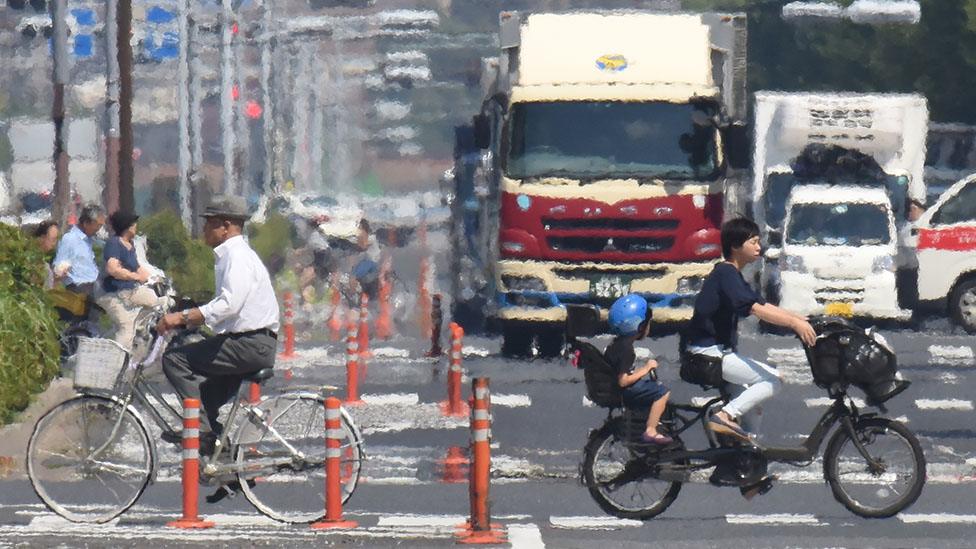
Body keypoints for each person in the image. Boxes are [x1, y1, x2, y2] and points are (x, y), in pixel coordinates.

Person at [156, 195, 279, 455]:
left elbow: (229, 304)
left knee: (175, 359)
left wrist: (183, 317)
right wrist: (191, 308)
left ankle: (198, 429)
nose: (204, 229)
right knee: (206, 397)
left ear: (225, 227)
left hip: (250, 344)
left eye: (209, 224)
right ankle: (224, 459)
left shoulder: (236, 256)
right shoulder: (231, 255)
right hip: (248, 342)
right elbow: (228, 305)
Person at [683, 218, 816, 442]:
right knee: (772, 381)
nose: (759, 247)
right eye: (753, 242)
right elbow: (754, 309)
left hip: (718, 353)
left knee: (753, 403)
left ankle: (746, 453)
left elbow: (761, 303)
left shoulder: (732, 274)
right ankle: (724, 415)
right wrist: (794, 325)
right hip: (707, 354)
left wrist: (800, 318)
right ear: (735, 247)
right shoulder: (726, 274)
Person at [605, 294, 672, 445]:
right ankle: (651, 430)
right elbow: (623, 381)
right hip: (625, 391)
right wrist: (646, 368)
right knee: (662, 392)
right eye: (647, 324)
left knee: (650, 387)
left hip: (616, 389)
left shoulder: (614, 345)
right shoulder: (627, 350)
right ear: (639, 326)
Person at [96, 211, 164, 350]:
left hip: (129, 291)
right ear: (127, 227)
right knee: (126, 328)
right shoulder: (114, 243)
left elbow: (138, 268)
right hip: (112, 294)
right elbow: (112, 269)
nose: (136, 227)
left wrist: (154, 278)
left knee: (159, 302)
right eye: (134, 224)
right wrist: (134, 277)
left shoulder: (130, 244)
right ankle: (118, 363)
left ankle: (139, 327)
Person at [53, 204, 105, 296]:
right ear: (86, 223)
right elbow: (59, 268)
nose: (98, 229)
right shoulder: (70, 239)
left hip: (95, 286)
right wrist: (62, 270)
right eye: (97, 225)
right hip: (80, 288)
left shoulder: (89, 241)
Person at [32, 220, 61, 289]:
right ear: (42, 237)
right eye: (53, 239)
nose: (54, 244)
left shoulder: (45, 265)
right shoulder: (42, 267)